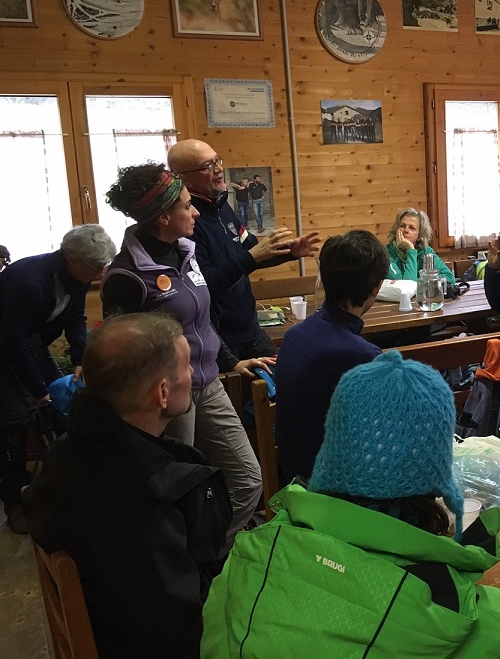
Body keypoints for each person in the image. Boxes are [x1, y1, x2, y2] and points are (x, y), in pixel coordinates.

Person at [202, 351, 500, 659]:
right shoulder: (451, 609)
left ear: (334, 447)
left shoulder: (249, 551)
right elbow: (497, 643)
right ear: (436, 470)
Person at [24, 313, 231, 659]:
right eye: (186, 366)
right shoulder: (142, 504)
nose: (193, 373)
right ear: (162, 392)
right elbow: (178, 633)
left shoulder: (65, 452)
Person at [101, 163, 263, 542]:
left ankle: (212, 553)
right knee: (176, 493)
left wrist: (229, 361)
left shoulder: (186, 253)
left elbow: (200, 322)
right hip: (166, 398)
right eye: (188, 207)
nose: (195, 213)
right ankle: (186, 565)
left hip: (208, 384)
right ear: (162, 216)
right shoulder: (126, 277)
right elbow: (122, 353)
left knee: (248, 481)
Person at [0, 225, 116, 534]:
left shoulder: (75, 277)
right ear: (72, 258)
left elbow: (75, 318)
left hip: (28, 341)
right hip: (6, 346)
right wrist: (39, 392)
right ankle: (13, 499)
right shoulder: (30, 282)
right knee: (18, 419)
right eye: (96, 266)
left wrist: (79, 361)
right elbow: (13, 344)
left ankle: (65, 485)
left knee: (69, 403)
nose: (101, 272)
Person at [167, 139, 321, 360]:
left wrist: (290, 252)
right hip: (221, 339)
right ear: (183, 179)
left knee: (287, 380)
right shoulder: (187, 222)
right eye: (206, 166)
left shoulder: (221, 206)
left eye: (217, 160)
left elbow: (253, 252)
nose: (219, 169)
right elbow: (206, 282)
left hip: (249, 328)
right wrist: (252, 256)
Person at [275, 230, 389, 485]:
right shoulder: (362, 356)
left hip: (293, 479)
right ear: (375, 289)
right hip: (332, 491)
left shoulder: (294, 335)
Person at [385, 206, 455, 284]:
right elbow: (406, 286)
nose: (406, 230)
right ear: (396, 230)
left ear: (419, 235)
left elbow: (450, 278)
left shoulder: (426, 251)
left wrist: (421, 281)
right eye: (402, 226)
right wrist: (411, 251)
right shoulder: (386, 253)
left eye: (412, 228)